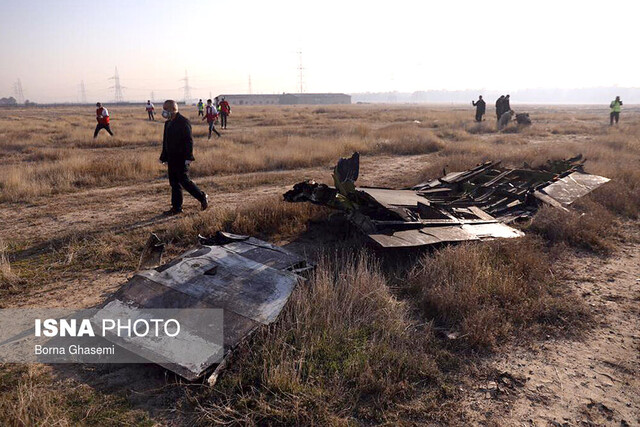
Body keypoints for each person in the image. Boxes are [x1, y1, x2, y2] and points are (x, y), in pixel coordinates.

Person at [159, 100, 209, 215]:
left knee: (184, 181)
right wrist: (164, 156)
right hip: (171, 158)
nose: (164, 112)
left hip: (181, 158)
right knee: (174, 183)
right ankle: (177, 207)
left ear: (173, 110)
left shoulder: (183, 122)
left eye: (166, 109)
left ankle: (202, 197)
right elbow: (165, 141)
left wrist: (188, 157)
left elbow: (189, 141)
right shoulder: (167, 123)